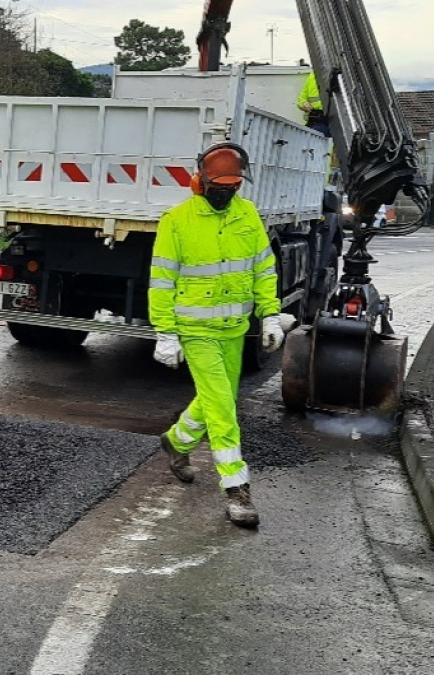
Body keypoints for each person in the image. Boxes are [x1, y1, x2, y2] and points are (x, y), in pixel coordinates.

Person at [149, 142, 298, 528]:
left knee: (220, 398)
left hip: (234, 329)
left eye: (233, 186)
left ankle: (177, 442)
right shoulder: (177, 221)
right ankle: (236, 490)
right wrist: (166, 332)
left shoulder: (247, 216)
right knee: (223, 410)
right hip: (195, 330)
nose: (226, 193)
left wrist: (269, 315)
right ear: (199, 181)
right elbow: (161, 282)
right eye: (220, 185)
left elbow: (264, 271)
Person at [297, 71, 329, 136]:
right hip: (315, 120)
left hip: (330, 120)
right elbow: (301, 98)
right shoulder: (312, 76)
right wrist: (304, 103)